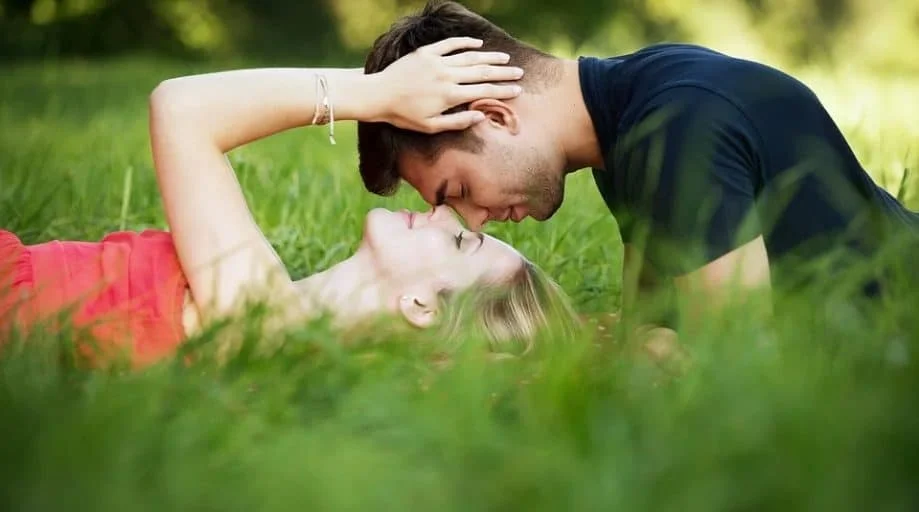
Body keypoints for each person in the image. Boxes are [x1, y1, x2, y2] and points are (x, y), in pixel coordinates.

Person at [0, 37, 578, 368]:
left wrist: (378, 93)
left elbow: (181, 108)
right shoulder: (271, 316)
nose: (443, 213)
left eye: (459, 241)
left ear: (422, 307)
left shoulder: (267, 322)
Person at [356, 0, 919, 334]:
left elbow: (735, 372)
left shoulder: (675, 126)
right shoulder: (631, 121)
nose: (472, 222)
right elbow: (650, 332)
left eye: (458, 189)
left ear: (495, 116)